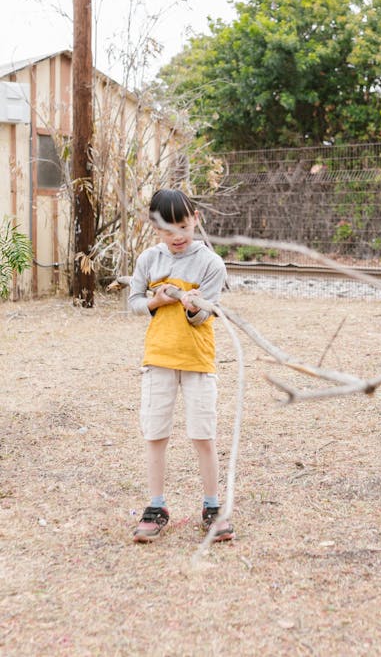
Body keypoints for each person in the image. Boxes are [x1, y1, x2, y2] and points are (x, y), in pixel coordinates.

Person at [128, 188, 234, 543]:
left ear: (196, 220)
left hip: (197, 361)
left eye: (184, 227)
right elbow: (133, 302)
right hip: (158, 358)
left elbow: (207, 313)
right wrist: (155, 300)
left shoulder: (211, 264)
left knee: (203, 435)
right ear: (155, 227)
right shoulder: (148, 260)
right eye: (167, 230)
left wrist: (193, 307)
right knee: (155, 434)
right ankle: (156, 507)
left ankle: (212, 506)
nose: (177, 237)